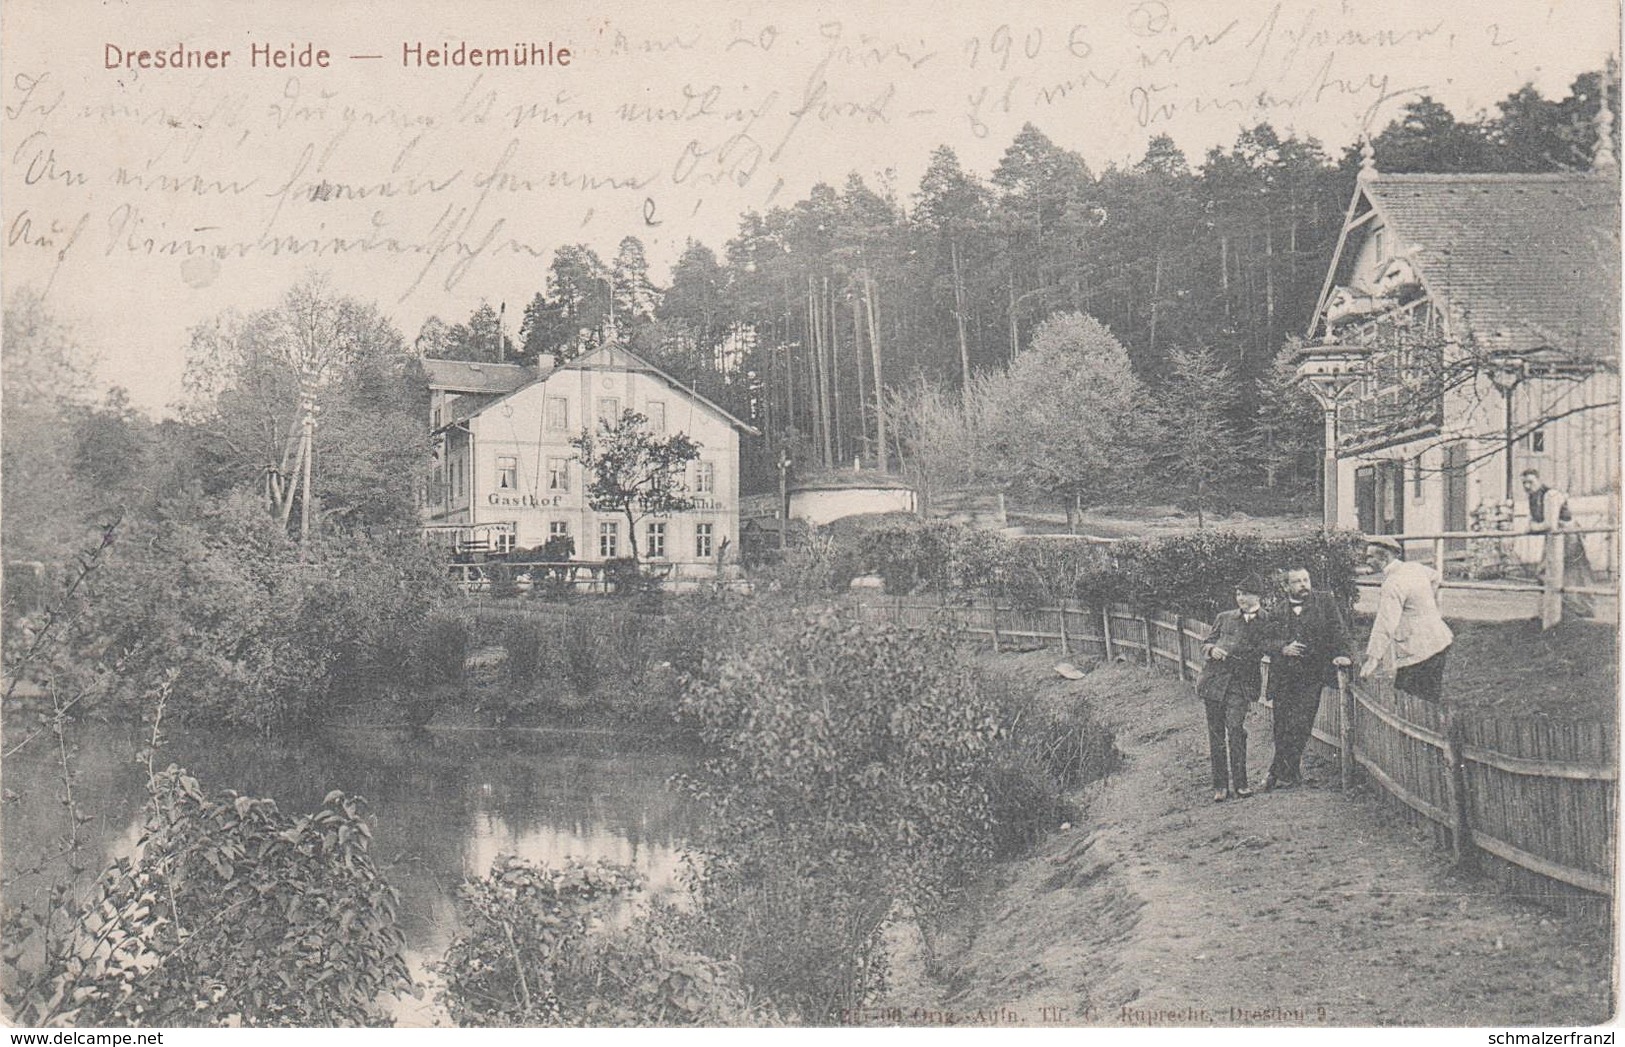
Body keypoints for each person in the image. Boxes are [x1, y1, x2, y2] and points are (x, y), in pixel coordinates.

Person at [1263, 567, 1353, 790]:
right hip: (1283, 676)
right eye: (1297, 582)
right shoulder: (1277, 611)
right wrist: (1283, 648)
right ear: (1286, 587)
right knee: (1282, 725)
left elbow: (1339, 631)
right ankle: (1289, 773)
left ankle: (1276, 772)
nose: (1303, 584)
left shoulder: (1324, 603)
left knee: (1302, 723)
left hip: (1312, 674)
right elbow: (1263, 642)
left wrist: (1342, 654)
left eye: (1306, 580)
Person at [1196, 576, 1270, 802]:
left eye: (1245, 594)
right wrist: (1211, 650)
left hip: (1241, 683)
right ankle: (1220, 785)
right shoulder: (1224, 618)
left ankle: (1241, 783)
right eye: (1238, 594)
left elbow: (1272, 645)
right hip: (1214, 681)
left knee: (1236, 729)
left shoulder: (1268, 620)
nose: (1241, 599)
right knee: (1216, 733)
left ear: (1257, 595)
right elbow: (1206, 642)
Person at [1359, 536, 1453, 702]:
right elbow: (1435, 577)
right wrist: (1420, 608)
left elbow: (1385, 623)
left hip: (1418, 650)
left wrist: (1373, 659)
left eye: (1370, 557)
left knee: (1410, 698)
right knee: (1429, 696)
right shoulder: (1414, 567)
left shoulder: (1393, 583)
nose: (1366, 561)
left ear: (1384, 558)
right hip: (1439, 641)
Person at [1521, 468, 1595, 617]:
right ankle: (1549, 612)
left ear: (1539, 480)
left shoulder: (1550, 495)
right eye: (1524, 483)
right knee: (1548, 572)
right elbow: (1535, 521)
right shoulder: (1533, 498)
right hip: (1554, 537)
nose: (1527, 486)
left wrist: (1533, 527)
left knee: (1569, 572)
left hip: (1568, 536)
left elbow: (1549, 524)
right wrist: (1533, 526)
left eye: (1530, 482)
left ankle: (1577, 611)